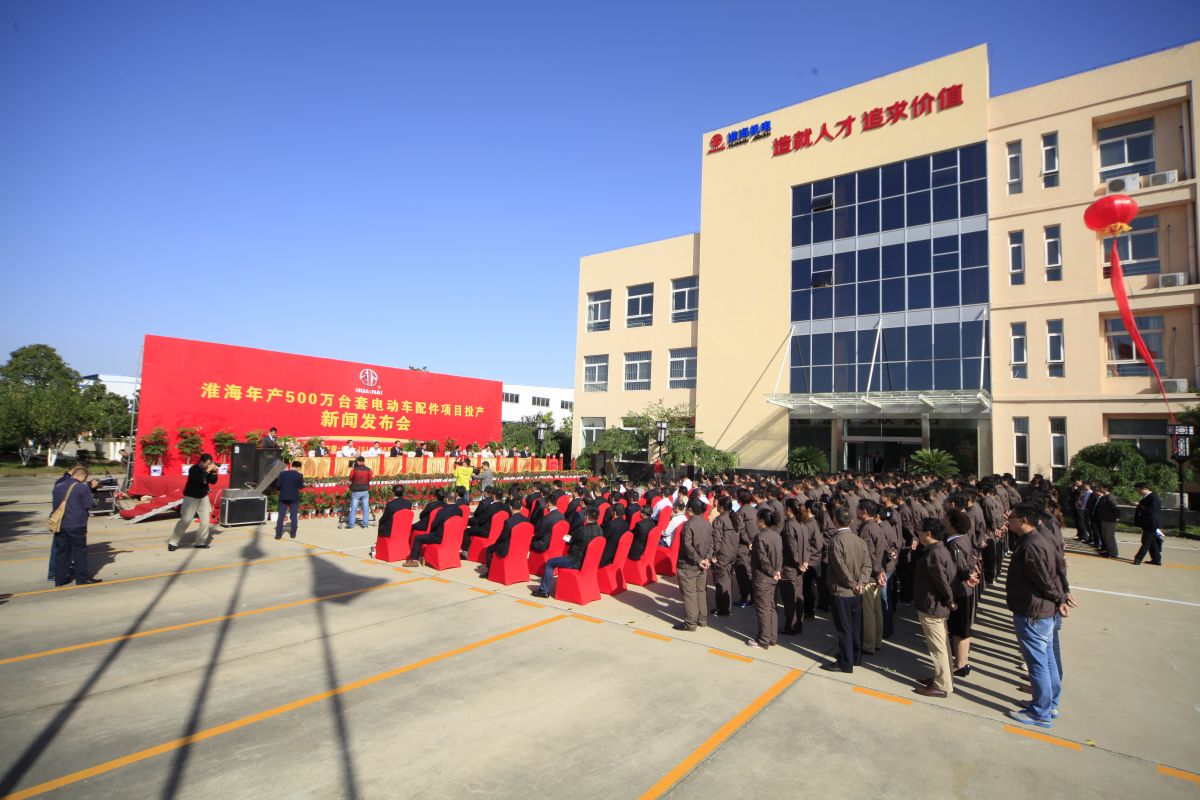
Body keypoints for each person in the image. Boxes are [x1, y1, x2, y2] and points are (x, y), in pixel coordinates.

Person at [1006, 503, 1069, 728]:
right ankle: (1050, 703)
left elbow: (1044, 580)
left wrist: (1059, 598)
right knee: (1047, 658)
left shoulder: (1032, 545)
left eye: (1012, 517)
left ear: (1023, 520)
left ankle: (1040, 712)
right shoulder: (1039, 539)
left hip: (1033, 612)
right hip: (1042, 610)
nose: (1008, 520)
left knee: (1037, 663)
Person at [822, 507, 871, 673]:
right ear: (851, 521)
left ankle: (845, 662)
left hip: (842, 591)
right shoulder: (859, 540)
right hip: (857, 591)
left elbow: (839, 567)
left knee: (844, 628)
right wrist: (861, 583)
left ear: (835, 520)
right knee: (856, 627)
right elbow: (867, 565)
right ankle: (855, 657)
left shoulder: (836, 541)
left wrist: (852, 583)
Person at [911, 518, 956, 697]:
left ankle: (942, 685)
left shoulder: (934, 554)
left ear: (928, 533)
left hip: (933, 605)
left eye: (920, 531)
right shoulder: (939, 549)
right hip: (934, 604)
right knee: (942, 645)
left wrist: (949, 600)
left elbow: (941, 582)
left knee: (938, 648)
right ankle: (943, 677)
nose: (918, 534)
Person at [532, 506, 601, 598]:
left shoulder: (582, 530)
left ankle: (543, 590)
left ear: (587, 517)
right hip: (587, 562)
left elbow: (571, 540)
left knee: (550, 563)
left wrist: (567, 538)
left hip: (574, 561)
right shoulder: (600, 530)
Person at [50, 465, 101, 585]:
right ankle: (81, 578)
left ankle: (60, 579)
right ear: (83, 476)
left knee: (62, 552)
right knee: (79, 552)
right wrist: (93, 491)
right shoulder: (82, 488)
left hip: (60, 524)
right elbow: (89, 505)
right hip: (76, 524)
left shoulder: (58, 486)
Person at [944, 510, 979, 678]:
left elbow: (959, 567)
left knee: (958, 630)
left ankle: (960, 664)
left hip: (959, 591)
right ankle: (963, 662)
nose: (943, 519)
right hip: (966, 590)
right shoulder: (963, 538)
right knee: (963, 630)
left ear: (953, 523)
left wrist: (968, 575)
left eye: (946, 518)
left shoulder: (954, 543)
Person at [673, 499, 714, 632]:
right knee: (700, 592)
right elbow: (711, 543)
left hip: (688, 565)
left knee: (689, 593)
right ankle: (702, 619)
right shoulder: (706, 523)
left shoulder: (688, 524)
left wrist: (699, 560)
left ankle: (690, 623)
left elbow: (687, 546)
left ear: (690, 509)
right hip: (701, 563)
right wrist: (706, 558)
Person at [747, 507, 783, 648]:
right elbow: (779, 556)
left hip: (763, 577)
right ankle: (772, 637)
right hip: (773, 577)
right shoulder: (776, 535)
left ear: (761, 520)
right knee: (771, 607)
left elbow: (763, 559)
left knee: (763, 608)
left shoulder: (760, 537)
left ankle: (763, 639)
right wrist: (777, 571)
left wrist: (772, 572)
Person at [169, 454, 220, 550]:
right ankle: (173, 542)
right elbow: (199, 480)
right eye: (208, 463)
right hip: (191, 497)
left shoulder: (207, 470)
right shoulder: (194, 469)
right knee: (186, 520)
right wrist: (208, 471)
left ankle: (200, 542)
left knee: (205, 520)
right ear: (202, 462)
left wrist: (213, 472)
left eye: (210, 464)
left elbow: (213, 481)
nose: (209, 465)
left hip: (203, 497)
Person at [402, 492, 462, 567]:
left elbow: (434, 525)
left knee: (418, 538)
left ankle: (414, 560)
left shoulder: (442, 511)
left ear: (446, 499)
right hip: (453, 536)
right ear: (456, 499)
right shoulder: (459, 510)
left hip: (440, 537)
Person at [779, 498, 810, 636]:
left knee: (790, 598)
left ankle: (790, 626)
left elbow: (792, 548)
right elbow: (807, 546)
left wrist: (798, 563)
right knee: (798, 596)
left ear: (789, 509)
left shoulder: (789, 526)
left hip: (790, 567)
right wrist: (805, 562)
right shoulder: (802, 524)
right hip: (800, 567)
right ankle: (798, 625)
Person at [709, 496, 738, 617]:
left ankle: (723, 608)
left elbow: (716, 539)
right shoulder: (735, 517)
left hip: (722, 554)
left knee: (721, 582)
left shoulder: (719, 520)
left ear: (721, 507)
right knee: (727, 580)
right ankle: (726, 606)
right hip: (732, 553)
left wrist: (714, 554)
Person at [481, 499, 525, 577]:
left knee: (490, 548)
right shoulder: (526, 520)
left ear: (510, 507)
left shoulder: (509, 522)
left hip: (508, 549)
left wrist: (496, 543)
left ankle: (490, 571)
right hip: (521, 548)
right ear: (521, 508)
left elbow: (502, 537)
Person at [1132, 482, 1163, 565]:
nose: (1138, 492)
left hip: (1151, 523)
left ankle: (1138, 558)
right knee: (1151, 541)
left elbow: (1151, 511)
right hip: (1147, 522)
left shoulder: (1153, 497)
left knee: (1145, 541)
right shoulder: (1147, 497)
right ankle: (1156, 559)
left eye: (1139, 490)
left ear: (1144, 488)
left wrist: (1139, 505)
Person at [275, 460, 304, 540]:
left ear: (292, 466)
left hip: (283, 497)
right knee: (293, 516)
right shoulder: (299, 475)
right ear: (298, 467)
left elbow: (278, 486)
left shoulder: (282, 474)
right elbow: (301, 487)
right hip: (294, 498)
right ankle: (293, 534)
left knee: (281, 517)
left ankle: (278, 535)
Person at [1092, 484, 1120, 558]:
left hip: (1109, 520)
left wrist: (1117, 516)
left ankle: (1113, 553)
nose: (1100, 489)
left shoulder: (1110, 497)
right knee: (1105, 537)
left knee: (1109, 537)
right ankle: (1108, 551)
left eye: (1101, 488)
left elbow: (1115, 508)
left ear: (1106, 488)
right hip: (1103, 519)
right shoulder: (1104, 497)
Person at [347, 456, 373, 529]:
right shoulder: (369, 470)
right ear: (364, 461)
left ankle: (351, 525)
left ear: (358, 462)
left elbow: (350, 478)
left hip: (356, 491)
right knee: (365, 508)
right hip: (365, 490)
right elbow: (370, 478)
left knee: (354, 508)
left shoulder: (354, 470)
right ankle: (365, 524)